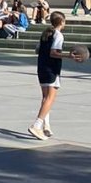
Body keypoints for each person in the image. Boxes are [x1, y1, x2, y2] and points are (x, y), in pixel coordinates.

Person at [28, 11, 82, 140]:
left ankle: (46, 126)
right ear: (62, 22)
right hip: (52, 69)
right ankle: (37, 125)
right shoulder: (58, 35)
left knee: (45, 98)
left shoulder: (45, 34)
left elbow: (37, 50)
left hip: (41, 67)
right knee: (50, 99)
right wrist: (68, 56)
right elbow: (53, 53)